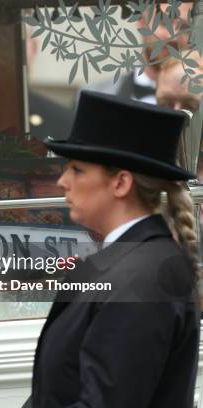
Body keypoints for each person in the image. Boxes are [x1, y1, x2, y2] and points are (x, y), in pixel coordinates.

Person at [30, 91, 200, 407]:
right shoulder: (124, 265)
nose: (62, 181)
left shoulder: (145, 278)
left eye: (77, 169)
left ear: (120, 183)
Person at [82, 3, 191, 104]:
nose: (174, 37)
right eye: (164, 22)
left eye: (185, 27)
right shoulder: (92, 97)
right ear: (142, 22)